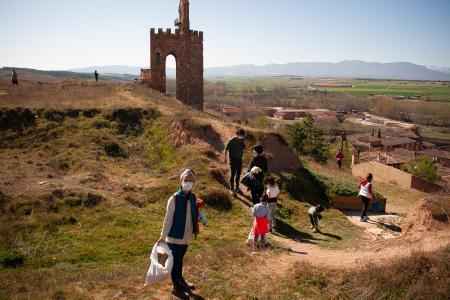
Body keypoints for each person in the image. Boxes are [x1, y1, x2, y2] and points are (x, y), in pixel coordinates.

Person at [158, 169, 198, 299]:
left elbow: (193, 213)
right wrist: (162, 237)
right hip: (174, 237)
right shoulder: (174, 199)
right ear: (181, 181)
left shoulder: (193, 197)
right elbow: (168, 219)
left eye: (191, 181)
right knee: (175, 261)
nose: (188, 183)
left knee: (180, 259)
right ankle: (175, 287)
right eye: (186, 180)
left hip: (186, 237)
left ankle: (180, 280)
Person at [224, 128, 246, 197]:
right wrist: (225, 158)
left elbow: (243, 148)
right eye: (240, 135)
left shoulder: (242, 140)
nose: (241, 136)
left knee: (239, 173)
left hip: (240, 159)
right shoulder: (231, 140)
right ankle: (231, 188)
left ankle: (237, 187)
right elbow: (226, 149)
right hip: (233, 159)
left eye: (242, 135)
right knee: (233, 173)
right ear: (237, 134)